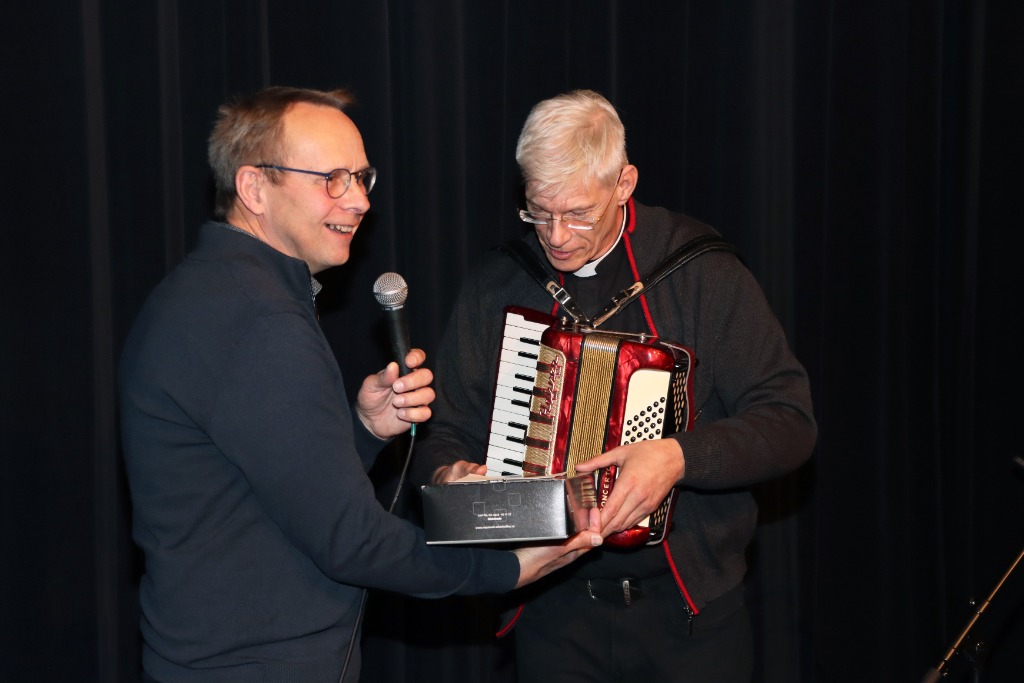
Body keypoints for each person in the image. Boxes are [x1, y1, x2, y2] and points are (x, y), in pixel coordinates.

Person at [118, 85, 603, 683]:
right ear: (254, 188)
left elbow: (271, 489)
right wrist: (508, 571)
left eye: (361, 178)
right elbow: (350, 540)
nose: (360, 201)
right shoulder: (259, 319)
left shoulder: (211, 290)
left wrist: (365, 430)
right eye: (332, 179)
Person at [413, 89, 817, 682]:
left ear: (624, 183)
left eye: (579, 213)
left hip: (687, 618)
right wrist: (450, 476)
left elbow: (790, 422)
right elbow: (444, 430)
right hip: (549, 613)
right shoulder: (498, 283)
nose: (556, 235)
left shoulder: (700, 271)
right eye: (538, 211)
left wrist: (678, 457)